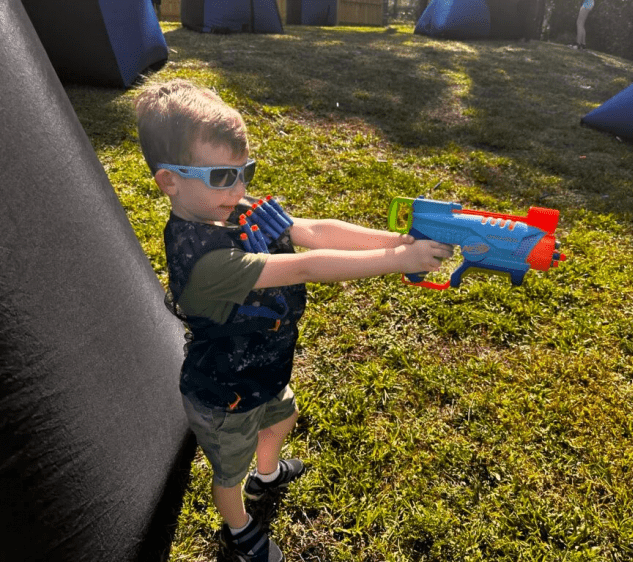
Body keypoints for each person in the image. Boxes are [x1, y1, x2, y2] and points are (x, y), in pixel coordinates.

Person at [134, 79, 453, 562]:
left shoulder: (232, 207)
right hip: (222, 392)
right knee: (228, 474)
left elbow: (314, 230)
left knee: (283, 417)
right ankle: (239, 528)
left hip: (262, 370)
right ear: (169, 181)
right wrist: (396, 261)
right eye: (223, 175)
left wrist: (399, 242)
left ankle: (270, 474)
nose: (240, 188)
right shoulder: (203, 263)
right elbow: (305, 265)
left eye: (246, 172)